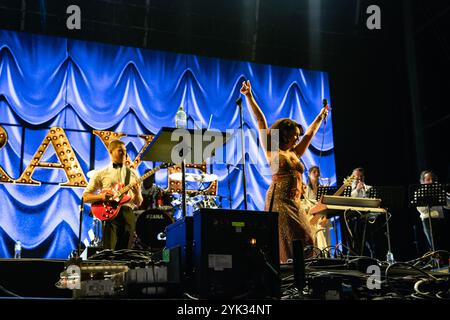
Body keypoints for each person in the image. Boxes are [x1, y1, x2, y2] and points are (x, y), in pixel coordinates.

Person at [240, 80, 328, 263]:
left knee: (307, 240)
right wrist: (248, 95)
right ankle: (289, 280)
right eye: (295, 134)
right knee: (289, 242)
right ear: (285, 134)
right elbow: (260, 121)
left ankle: (303, 278)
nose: (297, 137)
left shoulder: (294, 153)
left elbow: (310, 134)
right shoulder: (273, 150)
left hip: (295, 203)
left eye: (297, 135)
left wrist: (321, 116)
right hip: (279, 202)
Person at [83, 139, 143, 250]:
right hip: (110, 214)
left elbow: (138, 202)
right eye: (120, 150)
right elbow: (85, 197)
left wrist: (137, 193)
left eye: (125, 151)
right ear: (111, 151)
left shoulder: (133, 174)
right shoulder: (101, 173)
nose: (124, 153)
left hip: (127, 213)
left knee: (125, 252)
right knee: (109, 251)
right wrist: (101, 196)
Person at [415, 170, 449, 251]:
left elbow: (448, 206)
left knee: (443, 245)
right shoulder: (420, 193)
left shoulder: (439, 191)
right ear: (423, 182)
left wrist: (443, 195)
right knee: (434, 246)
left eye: (432, 179)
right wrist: (433, 201)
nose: (431, 181)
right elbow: (421, 209)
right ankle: (436, 262)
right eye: (428, 179)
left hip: (440, 220)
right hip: (428, 221)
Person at [302, 166, 330, 251]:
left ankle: (326, 253)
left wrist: (325, 215)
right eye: (314, 172)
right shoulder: (305, 189)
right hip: (311, 216)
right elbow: (303, 204)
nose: (317, 174)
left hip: (322, 215)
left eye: (318, 172)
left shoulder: (322, 188)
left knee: (325, 236)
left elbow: (325, 203)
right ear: (309, 174)